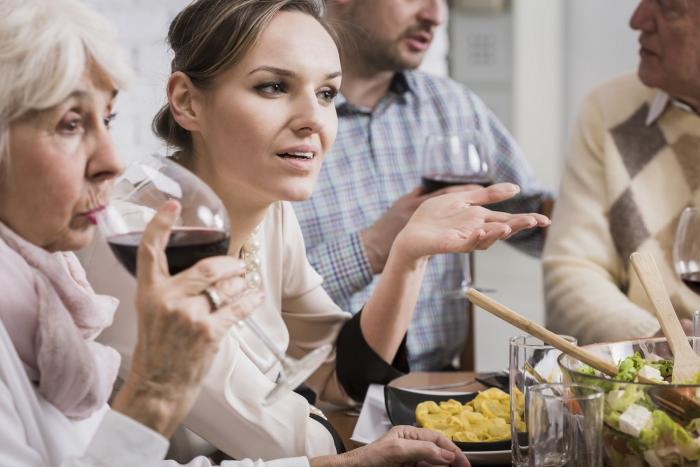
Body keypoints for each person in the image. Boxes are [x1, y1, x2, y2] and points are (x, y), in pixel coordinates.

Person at [0, 0, 476, 466]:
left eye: (328, 93)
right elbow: (284, 440)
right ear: (187, 102)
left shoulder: (268, 215)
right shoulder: (132, 241)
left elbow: (339, 371)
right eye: (273, 87)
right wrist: (345, 436)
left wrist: (410, 254)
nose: (313, 119)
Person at [293, 0, 553, 371]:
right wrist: (375, 247)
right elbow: (258, 297)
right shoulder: (283, 121)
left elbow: (533, 213)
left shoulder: (451, 105)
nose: (435, 15)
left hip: (437, 387)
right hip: (314, 393)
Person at [544, 0, 700, 345]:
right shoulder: (608, 109)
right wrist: (653, 342)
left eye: (668, 7)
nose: (637, 20)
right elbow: (571, 272)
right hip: (648, 386)